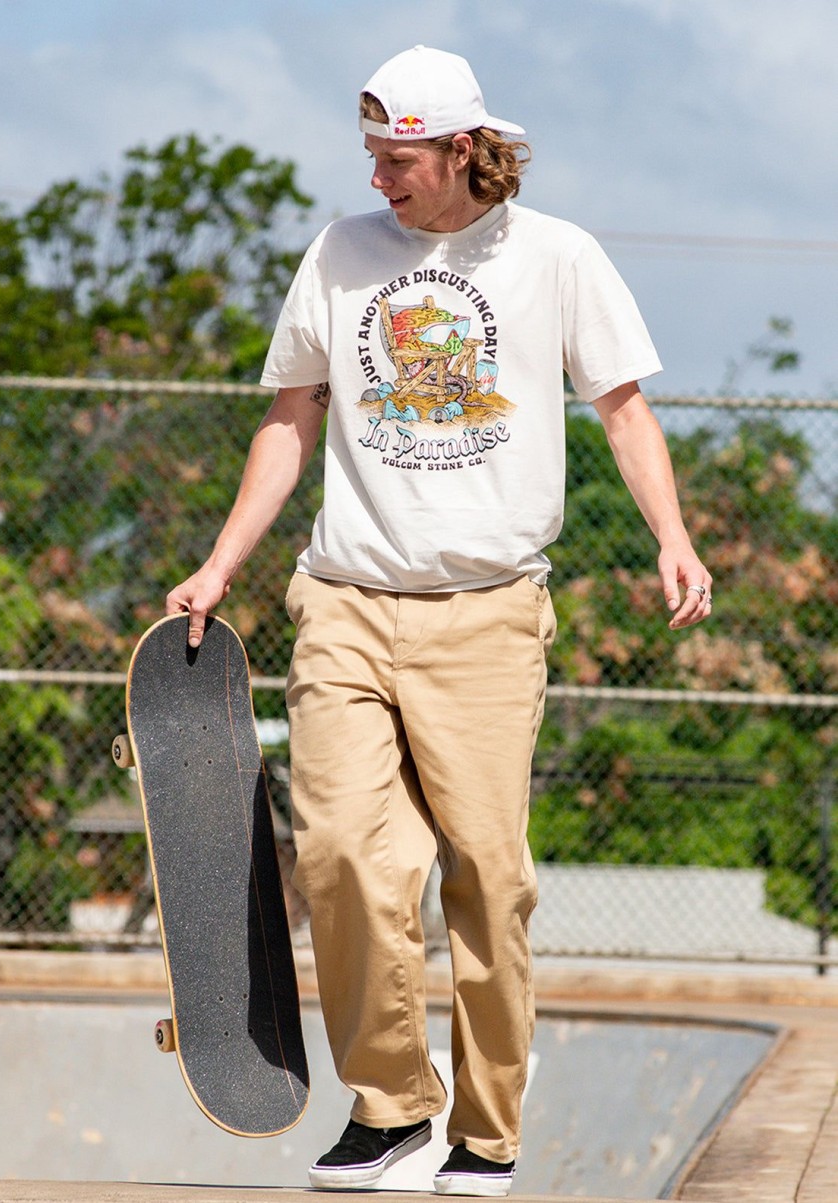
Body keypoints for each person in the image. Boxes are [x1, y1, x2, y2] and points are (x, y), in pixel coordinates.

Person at [166, 44, 712, 1197]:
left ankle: (484, 1131)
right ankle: (392, 1107)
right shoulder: (340, 255)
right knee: (342, 863)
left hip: (486, 617)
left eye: (398, 158)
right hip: (346, 602)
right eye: (369, 156)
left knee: (487, 881)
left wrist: (673, 535)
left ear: (464, 148)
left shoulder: (554, 256)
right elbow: (289, 419)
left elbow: (621, 411)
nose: (379, 180)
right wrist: (220, 566)